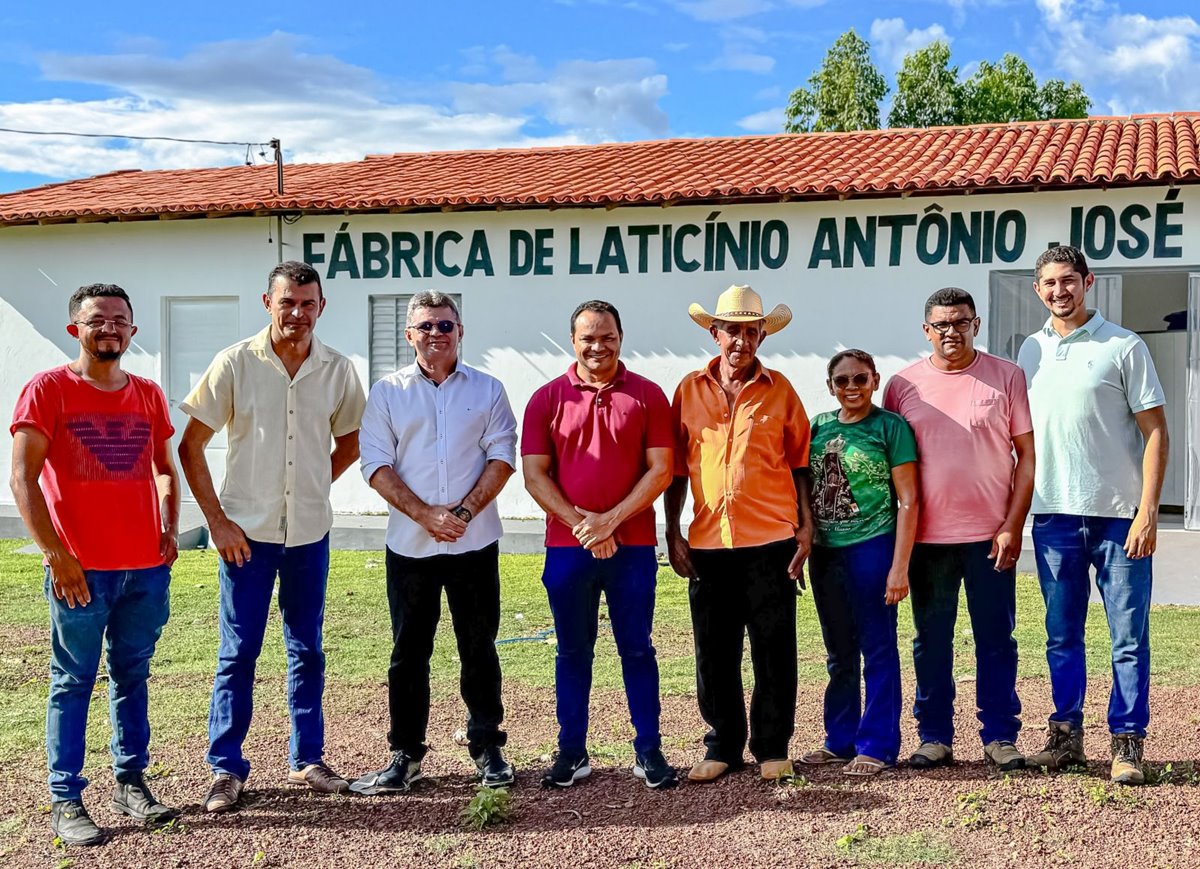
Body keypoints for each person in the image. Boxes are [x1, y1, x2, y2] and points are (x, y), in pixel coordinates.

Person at [178, 261, 365, 812]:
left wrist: (307, 485)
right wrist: (216, 520)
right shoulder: (235, 362)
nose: (298, 313)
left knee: (307, 649)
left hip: (309, 533)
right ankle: (226, 768)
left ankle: (308, 758)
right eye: (288, 302)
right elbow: (191, 446)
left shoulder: (337, 369)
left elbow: (351, 442)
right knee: (238, 653)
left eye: (308, 303)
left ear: (321, 307)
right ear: (268, 303)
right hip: (246, 537)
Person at [10, 283, 180, 846]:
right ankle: (66, 798)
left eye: (120, 320)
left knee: (133, 675)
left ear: (133, 330)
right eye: (97, 320)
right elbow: (22, 478)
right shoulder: (48, 390)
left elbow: (162, 467)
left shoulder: (149, 394)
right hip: (81, 571)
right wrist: (57, 556)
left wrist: (168, 524)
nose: (110, 328)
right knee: (73, 680)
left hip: (145, 568)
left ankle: (131, 782)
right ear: (74, 329)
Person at [350, 290, 518, 794]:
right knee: (408, 652)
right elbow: (374, 465)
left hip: (474, 543)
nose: (436, 335)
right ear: (409, 335)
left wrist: (462, 514)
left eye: (445, 325)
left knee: (479, 648)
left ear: (461, 331)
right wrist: (425, 515)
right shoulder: (387, 393)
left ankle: (488, 748)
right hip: (411, 548)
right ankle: (405, 755)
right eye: (425, 326)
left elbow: (503, 456)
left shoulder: (488, 390)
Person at [1018, 245, 1168, 785]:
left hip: (1118, 518)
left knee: (1128, 637)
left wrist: (1148, 512)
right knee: (1061, 636)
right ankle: (1066, 740)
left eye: (1069, 281)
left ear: (1089, 282)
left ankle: (1127, 744)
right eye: (1049, 283)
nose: (1060, 291)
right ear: (1038, 290)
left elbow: (1156, 432)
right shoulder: (1029, 352)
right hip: (1054, 518)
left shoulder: (1123, 346)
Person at [522, 300, 677, 790]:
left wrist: (610, 521)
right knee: (572, 651)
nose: (597, 346)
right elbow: (534, 476)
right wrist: (583, 525)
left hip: (630, 546)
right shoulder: (546, 398)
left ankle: (649, 750)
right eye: (588, 337)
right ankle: (571, 751)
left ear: (620, 337)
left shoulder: (649, 396)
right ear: (573, 341)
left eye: (607, 336)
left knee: (637, 649)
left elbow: (661, 469)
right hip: (567, 549)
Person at [665, 284, 813, 783]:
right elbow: (677, 471)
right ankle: (722, 745)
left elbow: (799, 466)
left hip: (771, 542)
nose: (741, 341)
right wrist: (672, 531)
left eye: (751, 332)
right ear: (715, 333)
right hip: (707, 544)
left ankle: (772, 745)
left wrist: (806, 529)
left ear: (761, 337)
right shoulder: (687, 391)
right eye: (732, 331)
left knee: (774, 648)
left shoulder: (782, 391)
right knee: (714, 651)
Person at [883, 287, 1034, 772]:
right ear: (926, 330)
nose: (952, 332)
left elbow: (1026, 457)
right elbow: (891, 467)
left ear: (977, 324)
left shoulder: (1006, 377)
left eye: (961, 322)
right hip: (928, 539)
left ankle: (1000, 736)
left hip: (992, 536)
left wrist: (1013, 524)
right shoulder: (903, 385)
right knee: (931, 639)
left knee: (996, 637)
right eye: (941, 325)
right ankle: (934, 736)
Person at [801, 350, 918, 776]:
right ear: (830, 385)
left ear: (874, 380)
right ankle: (840, 739)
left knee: (878, 646)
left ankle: (878, 744)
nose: (852, 388)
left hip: (873, 545)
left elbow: (909, 499)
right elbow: (803, 485)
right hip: (827, 552)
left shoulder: (890, 427)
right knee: (839, 651)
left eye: (860, 379)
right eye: (842, 381)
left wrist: (899, 565)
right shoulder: (818, 427)